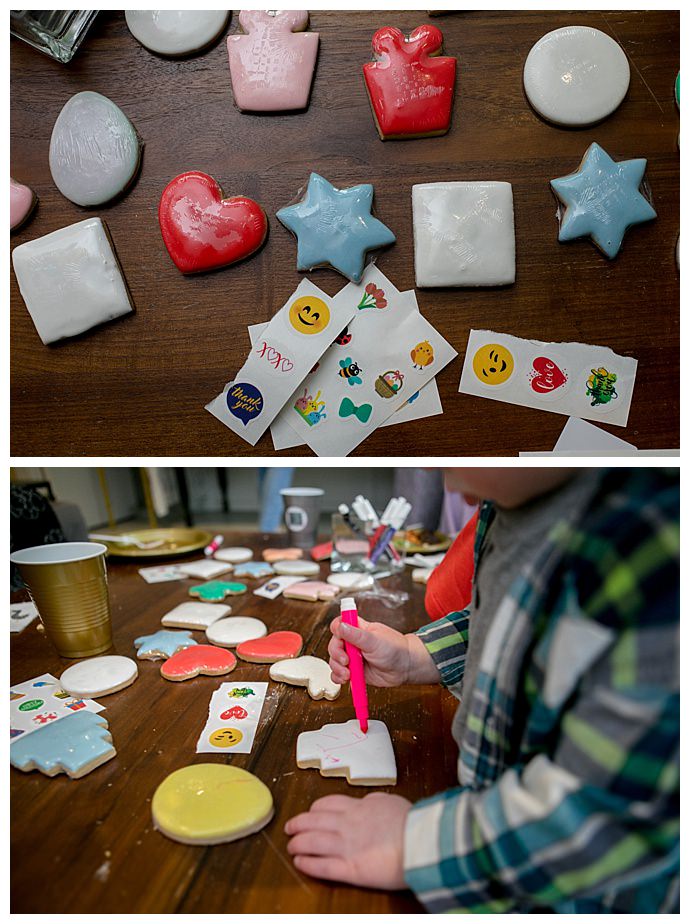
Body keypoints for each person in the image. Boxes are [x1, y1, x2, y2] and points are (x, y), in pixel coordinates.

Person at [284, 467, 679, 913]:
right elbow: (501, 619)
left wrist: (412, 846)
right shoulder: (506, 502)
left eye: (455, 451)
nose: (440, 477)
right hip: (493, 819)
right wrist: (416, 655)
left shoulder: (658, 552)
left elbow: (601, 822)